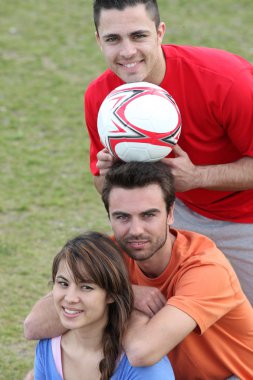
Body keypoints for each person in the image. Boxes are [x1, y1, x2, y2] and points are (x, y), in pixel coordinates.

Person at [84, 0, 253, 304]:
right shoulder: (102, 97)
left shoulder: (227, 81)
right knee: (134, 311)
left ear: (160, 32)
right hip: (174, 213)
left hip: (245, 218)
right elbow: (102, 185)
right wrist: (110, 178)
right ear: (98, 40)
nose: (127, 52)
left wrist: (198, 176)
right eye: (113, 39)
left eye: (138, 36)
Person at [25, 162, 253, 379]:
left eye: (148, 215)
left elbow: (141, 351)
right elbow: (34, 325)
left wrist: (117, 294)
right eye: (122, 216)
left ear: (170, 213)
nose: (136, 230)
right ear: (110, 217)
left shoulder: (205, 269)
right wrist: (130, 293)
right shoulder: (110, 253)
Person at [33, 231, 174, 380]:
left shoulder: (146, 370)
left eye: (86, 287)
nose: (70, 298)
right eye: (63, 283)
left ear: (111, 295)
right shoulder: (47, 348)